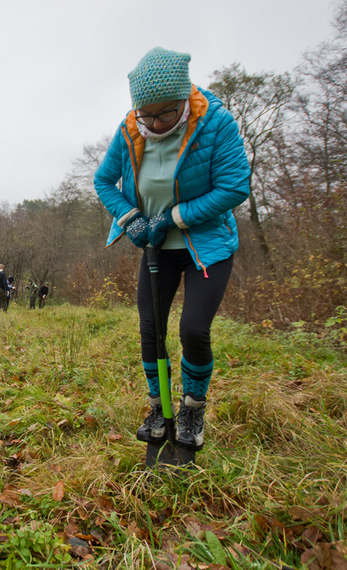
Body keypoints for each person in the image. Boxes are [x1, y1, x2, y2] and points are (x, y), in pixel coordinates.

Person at [94, 47, 250, 452]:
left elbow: (234, 187)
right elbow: (103, 181)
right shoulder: (131, 127)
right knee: (151, 330)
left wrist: (174, 218)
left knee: (192, 330)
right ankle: (158, 407)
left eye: (163, 114)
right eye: (146, 114)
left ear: (183, 101)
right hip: (156, 248)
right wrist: (131, 219)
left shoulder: (215, 123)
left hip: (207, 245)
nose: (154, 122)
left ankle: (192, 409)